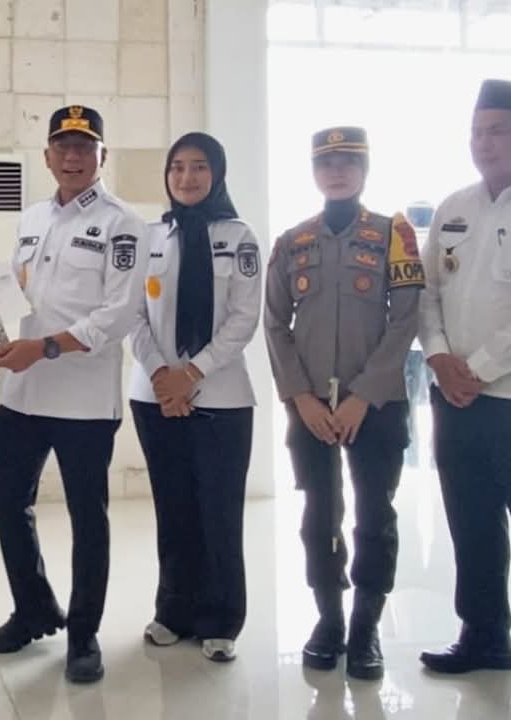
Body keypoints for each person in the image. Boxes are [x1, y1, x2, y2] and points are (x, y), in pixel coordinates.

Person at [0, 105, 148, 684]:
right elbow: (14, 292)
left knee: (86, 519)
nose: (73, 157)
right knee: (7, 502)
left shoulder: (123, 224)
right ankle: (33, 609)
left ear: (102, 156)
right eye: (63, 146)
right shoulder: (31, 218)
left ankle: (83, 635)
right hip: (22, 393)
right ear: (47, 155)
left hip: (83, 403)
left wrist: (46, 347)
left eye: (84, 147)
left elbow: (119, 314)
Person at [264, 126, 423, 681]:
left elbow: (406, 320)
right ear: (314, 171)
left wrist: (362, 397)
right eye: (326, 163)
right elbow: (274, 324)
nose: (337, 171)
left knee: (375, 516)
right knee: (319, 515)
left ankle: (365, 626)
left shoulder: (394, 235)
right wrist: (301, 398)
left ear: (365, 169)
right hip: (310, 407)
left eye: (348, 162)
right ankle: (328, 620)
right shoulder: (293, 241)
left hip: (375, 406)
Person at [128, 132, 261, 663]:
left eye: (199, 166)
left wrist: (193, 373)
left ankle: (221, 619)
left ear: (217, 174)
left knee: (219, 512)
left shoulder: (239, 237)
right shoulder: (149, 237)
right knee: (173, 508)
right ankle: (173, 611)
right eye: (178, 167)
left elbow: (244, 318)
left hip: (222, 398)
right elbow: (132, 316)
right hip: (154, 394)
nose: (187, 177)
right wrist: (163, 374)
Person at [418, 78, 511, 674]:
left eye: (497, 131)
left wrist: (475, 370)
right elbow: (426, 294)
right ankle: (483, 636)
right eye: (477, 132)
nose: (484, 142)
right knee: (472, 523)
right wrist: (438, 356)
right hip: (455, 400)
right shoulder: (453, 208)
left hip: (503, 394)